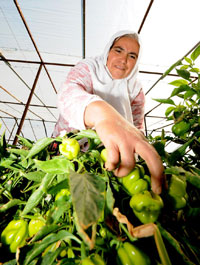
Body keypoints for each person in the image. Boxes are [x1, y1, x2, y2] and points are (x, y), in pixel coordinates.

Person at [53, 30, 165, 194]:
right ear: (108, 51)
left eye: (132, 56)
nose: (123, 60)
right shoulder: (90, 68)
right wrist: (102, 115)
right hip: (66, 148)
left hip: (106, 160)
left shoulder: (135, 90)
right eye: (118, 50)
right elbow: (67, 93)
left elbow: (136, 126)